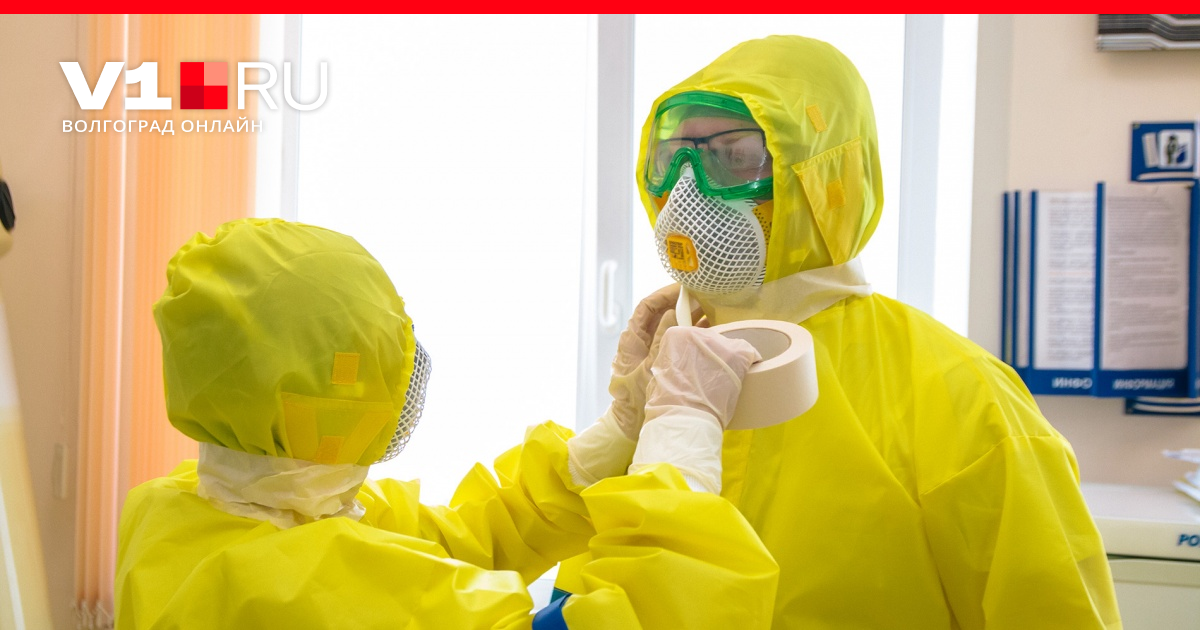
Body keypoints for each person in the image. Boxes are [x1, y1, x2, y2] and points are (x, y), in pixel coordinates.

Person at [557, 35, 1122, 628]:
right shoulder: (661, 381)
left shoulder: (963, 398)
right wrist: (627, 423)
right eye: (673, 157)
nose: (688, 189)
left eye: (737, 155)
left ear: (826, 179)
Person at [114, 218, 778, 629]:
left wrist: (622, 427)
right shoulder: (301, 590)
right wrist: (683, 428)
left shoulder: (188, 510)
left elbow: (461, 539)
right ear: (316, 410)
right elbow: (651, 617)